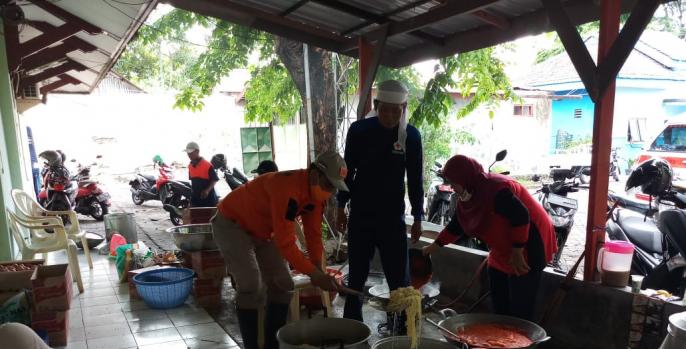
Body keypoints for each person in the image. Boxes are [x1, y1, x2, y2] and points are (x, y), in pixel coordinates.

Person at [211, 150, 348, 349]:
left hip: (264, 230)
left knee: (284, 285)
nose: (330, 192)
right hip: (232, 224)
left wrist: (318, 269)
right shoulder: (287, 188)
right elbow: (286, 244)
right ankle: (253, 346)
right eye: (329, 185)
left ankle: (272, 344)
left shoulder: (316, 195)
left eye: (334, 188)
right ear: (315, 174)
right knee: (251, 284)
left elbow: (314, 235)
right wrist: (313, 274)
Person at [420, 154, 557, 321]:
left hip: (528, 244)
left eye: (453, 183)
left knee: (520, 307)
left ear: (465, 178)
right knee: (499, 302)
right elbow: (457, 226)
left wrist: (517, 251)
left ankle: (521, 339)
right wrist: (432, 248)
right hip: (502, 248)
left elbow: (521, 216)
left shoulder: (495, 190)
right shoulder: (468, 194)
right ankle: (501, 335)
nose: (451, 187)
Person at [336, 80, 424, 324]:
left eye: (396, 111)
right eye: (385, 109)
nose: (390, 115)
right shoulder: (359, 131)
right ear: (376, 105)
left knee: (399, 279)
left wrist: (418, 217)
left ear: (404, 108)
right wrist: (340, 205)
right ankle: (352, 325)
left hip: (392, 219)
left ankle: (403, 327)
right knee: (356, 276)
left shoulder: (411, 137)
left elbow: (415, 179)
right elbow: (347, 171)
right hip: (361, 216)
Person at [185, 141, 219, 207]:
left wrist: (207, 190)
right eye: (187, 153)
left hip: (209, 199)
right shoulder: (190, 166)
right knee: (195, 216)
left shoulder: (207, 165)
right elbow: (193, 183)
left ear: (197, 151)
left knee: (208, 216)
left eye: (191, 153)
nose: (189, 155)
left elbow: (214, 179)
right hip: (196, 200)